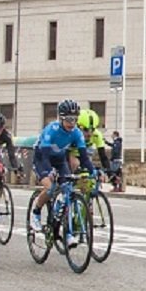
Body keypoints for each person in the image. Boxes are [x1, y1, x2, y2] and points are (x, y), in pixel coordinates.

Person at [30, 99, 96, 246]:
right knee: (50, 187)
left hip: (60, 160)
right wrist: (49, 171)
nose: (72, 123)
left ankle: (67, 232)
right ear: (61, 118)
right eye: (69, 119)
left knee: (67, 191)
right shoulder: (51, 130)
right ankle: (36, 212)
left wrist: (94, 171)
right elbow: (45, 156)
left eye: (75, 119)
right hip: (42, 158)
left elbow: (84, 157)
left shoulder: (77, 133)